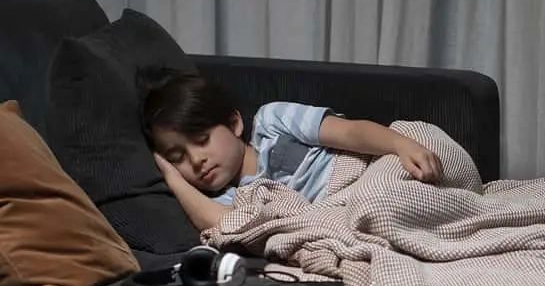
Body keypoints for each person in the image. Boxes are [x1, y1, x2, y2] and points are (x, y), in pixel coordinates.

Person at [139, 69, 443, 231]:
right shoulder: (228, 200)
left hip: (362, 173)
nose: (196, 160)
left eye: (202, 139)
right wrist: (172, 178)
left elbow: (350, 132)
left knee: (414, 138)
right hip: (342, 211)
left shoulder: (272, 123)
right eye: (177, 158)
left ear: (234, 123)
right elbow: (224, 224)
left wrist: (400, 144)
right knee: (375, 210)